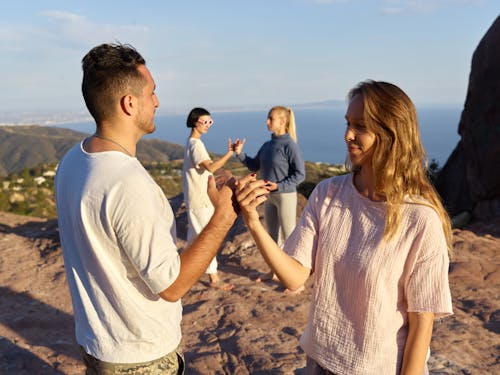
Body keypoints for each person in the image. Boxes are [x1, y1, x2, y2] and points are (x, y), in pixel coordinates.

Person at [235, 80, 453, 374]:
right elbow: (294, 278)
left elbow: (421, 327)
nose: (348, 135)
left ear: (392, 134)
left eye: (360, 126)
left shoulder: (420, 220)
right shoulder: (327, 194)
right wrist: (251, 219)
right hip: (319, 362)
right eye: (348, 123)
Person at [55, 43, 238, 374]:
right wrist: (223, 217)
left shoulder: (73, 160)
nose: (156, 101)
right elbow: (171, 286)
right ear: (129, 103)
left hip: (98, 343)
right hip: (140, 357)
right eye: (152, 93)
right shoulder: (128, 183)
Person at [233, 106, 305, 292]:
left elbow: (300, 175)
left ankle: (296, 281)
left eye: (270, 119)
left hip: (285, 196)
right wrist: (239, 153)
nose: (267, 122)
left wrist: (279, 186)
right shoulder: (267, 145)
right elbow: (254, 165)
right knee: (271, 237)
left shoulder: (290, 146)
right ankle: (274, 273)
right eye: (267, 118)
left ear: (282, 122)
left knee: (289, 238)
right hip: (269, 197)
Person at [182, 107, 236, 290]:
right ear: (194, 122)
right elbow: (210, 168)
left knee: (195, 239)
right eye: (204, 122)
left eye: (210, 122)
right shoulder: (196, 145)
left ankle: (182, 272)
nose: (208, 125)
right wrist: (230, 153)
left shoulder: (191, 143)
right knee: (206, 238)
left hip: (195, 200)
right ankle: (214, 279)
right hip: (200, 200)